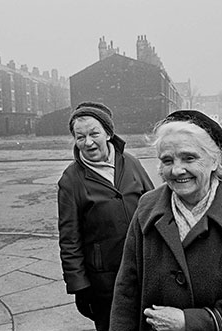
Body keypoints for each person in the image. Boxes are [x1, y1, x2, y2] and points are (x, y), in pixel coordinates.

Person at [110, 110, 222, 331]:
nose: (177, 170)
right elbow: (126, 291)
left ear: (215, 161)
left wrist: (190, 322)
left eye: (189, 158)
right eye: (167, 160)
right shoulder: (146, 209)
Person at [57, 101, 154, 331]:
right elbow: (69, 238)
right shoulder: (71, 179)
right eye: (80, 137)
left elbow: (155, 208)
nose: (88, 142)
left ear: (108, 133)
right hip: (104, 282)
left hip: (145, 270)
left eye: (94, 133)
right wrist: (80, 286)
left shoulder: (130, 162)